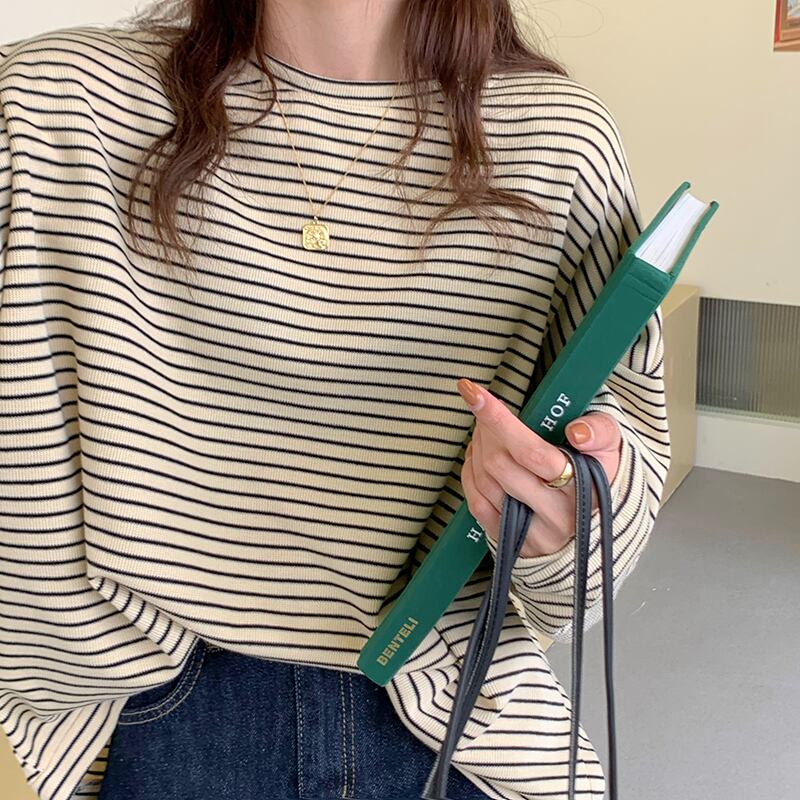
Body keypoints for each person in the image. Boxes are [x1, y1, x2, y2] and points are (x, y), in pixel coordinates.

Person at [0, 2, 671, 799]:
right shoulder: (53, 106)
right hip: (158, 711)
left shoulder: (558, 142)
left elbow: (598, 541)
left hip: (454, 716)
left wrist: (565, 513)